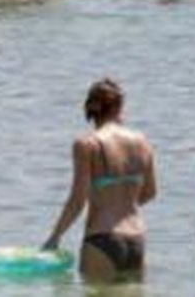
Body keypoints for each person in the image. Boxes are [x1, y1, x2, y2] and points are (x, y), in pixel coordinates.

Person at [42, 79, 158, 283]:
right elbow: (150, 192)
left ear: (91, 109)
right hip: (137, 239)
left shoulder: (87, 144)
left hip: (102, 239)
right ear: (120, 106)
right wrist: (123, 200)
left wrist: (55, 237)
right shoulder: (142, 141)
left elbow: (77, 200)